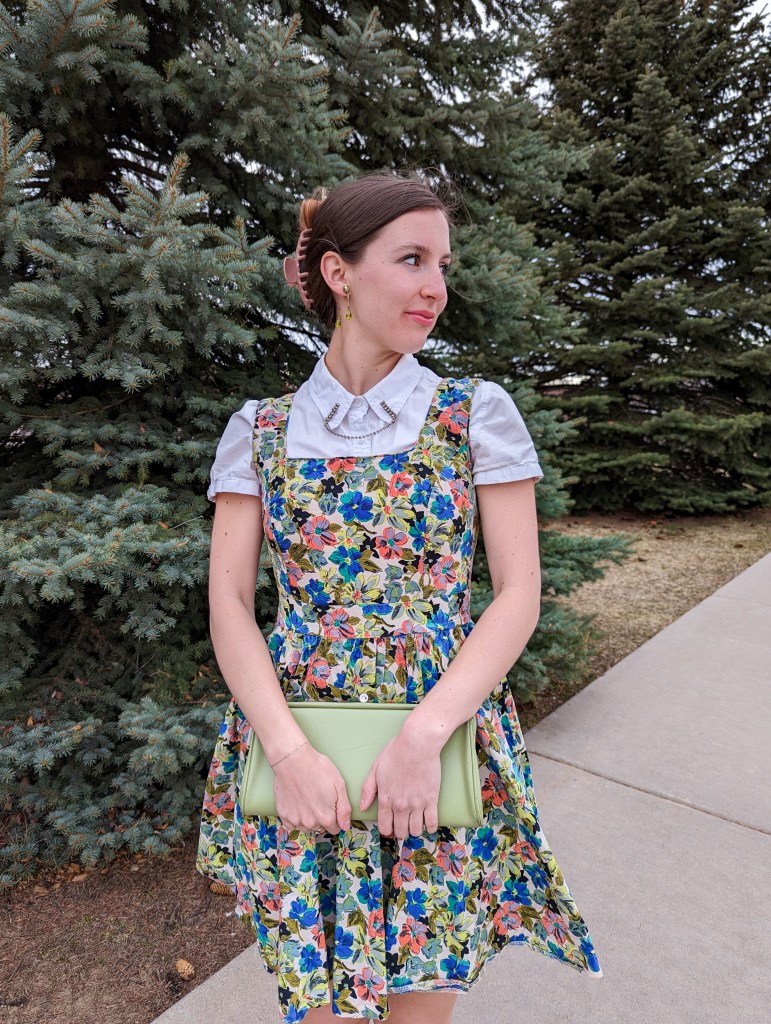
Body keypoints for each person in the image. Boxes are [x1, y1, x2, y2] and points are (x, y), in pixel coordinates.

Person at [196, 172, 601, 1023]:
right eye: (411, 259)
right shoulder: (260, 429)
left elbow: (517, 591)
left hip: (438, 744)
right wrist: (289, 755)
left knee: (420, 1000)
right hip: (299, 743)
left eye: (441, 265)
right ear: (339, 274)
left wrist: (425, 736)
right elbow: (231, 604)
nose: (434, 288)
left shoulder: (471, 412)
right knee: (321, 1003)